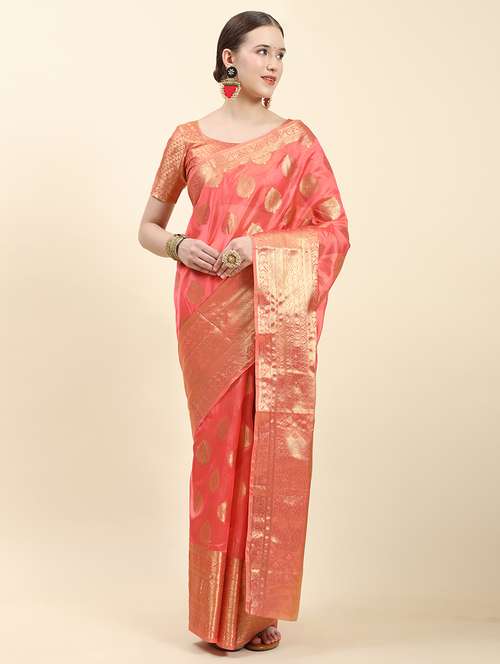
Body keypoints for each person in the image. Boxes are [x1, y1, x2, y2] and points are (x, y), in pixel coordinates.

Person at [138, 10, 351, 652]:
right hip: (204, 310)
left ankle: (256, 612)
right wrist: (180, 246)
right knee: (214, 457)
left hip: (268, 309)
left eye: (281, 54)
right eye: (262, 51)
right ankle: (213, 612)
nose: (274, 65)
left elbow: (334, 230)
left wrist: (259, 246)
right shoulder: (188, 140)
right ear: (229, 58)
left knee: (265, 452)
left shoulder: (297, 140)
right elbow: (147, 226)